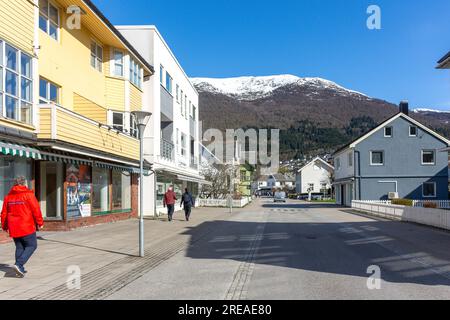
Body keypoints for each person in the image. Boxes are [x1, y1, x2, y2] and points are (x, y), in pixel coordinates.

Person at [1, 176, 44, 278]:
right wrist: (40, 222)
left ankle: (19, 269)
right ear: (24, 184)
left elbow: (3, 213)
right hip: (26, 226)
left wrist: (4, 226)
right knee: (32, 246)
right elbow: (36, 210)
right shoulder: (28, 195)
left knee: (20, 247)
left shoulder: (8, 197)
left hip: (14, 226)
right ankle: (18, 265)